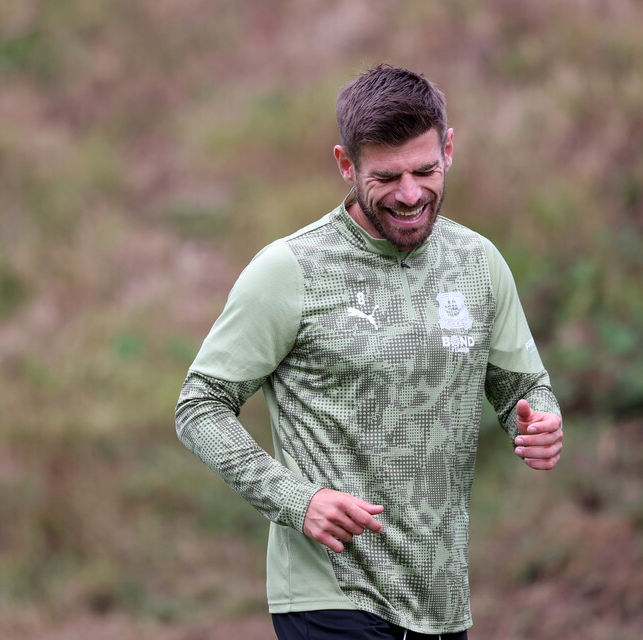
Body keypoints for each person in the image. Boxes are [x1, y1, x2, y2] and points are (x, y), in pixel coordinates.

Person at [175, 64, 563, 640]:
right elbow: (199, 405)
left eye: (425, 170)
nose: (410, 195)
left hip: (442, 602)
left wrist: (540, 419)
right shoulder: (290, 270)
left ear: (449, 150)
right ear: (345, 165)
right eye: (387, 177)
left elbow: (523, 389)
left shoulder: (479, 263)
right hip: (331, 595)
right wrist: (296, 498)